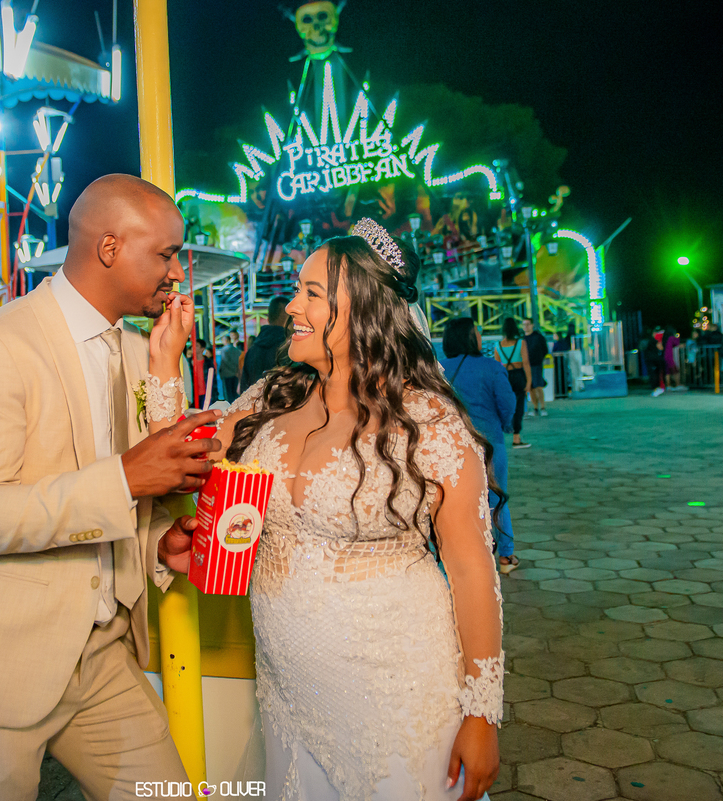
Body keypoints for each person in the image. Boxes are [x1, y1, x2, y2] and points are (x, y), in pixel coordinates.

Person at [0, 174, 222, 800]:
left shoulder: (130, 352)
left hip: (99, 656)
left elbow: (119, 495)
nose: (176, 272)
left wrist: (154, 545)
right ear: (108, 247)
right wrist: (127, 475)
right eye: (165, 254)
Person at [149, 218, 503, 801]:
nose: (291, 307)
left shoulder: (429, 425)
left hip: (396, 697)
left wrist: (482, 715)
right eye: (298, 290)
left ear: (364, 309)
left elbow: (472, 574)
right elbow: (180, 459)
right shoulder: (271, 397)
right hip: (288, 697)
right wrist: (166, 363)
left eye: (312, 293)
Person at [442, 317, 519, 575]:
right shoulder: (491, 367)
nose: (481, 335)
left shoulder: (438, 368)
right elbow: (507, 403)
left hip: (452, 444)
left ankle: (462, 556)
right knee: (497, 498)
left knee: (457, 500)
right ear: (470, 336)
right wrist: (506, 425)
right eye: (478, 331)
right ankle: (506, 556)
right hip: (489, 442)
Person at [239, 295, 290, 391]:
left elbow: (244, 387)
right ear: (286, 316)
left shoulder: (252, 350)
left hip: (255, 404)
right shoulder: (288, 348)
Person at [495, 317, 532, 448]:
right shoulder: (521, 343)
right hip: (519, 375)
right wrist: (529, 381)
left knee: (506, 405)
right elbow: (526, 363)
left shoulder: (497, 345)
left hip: (505, 377)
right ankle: (516, 437)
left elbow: (498, 367)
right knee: (519, 407)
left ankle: (505, 429)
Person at [522, 318, 550, 416]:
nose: (526, 326)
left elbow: (545, 349)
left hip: (536, 364)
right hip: (527, 366)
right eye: (524, 324)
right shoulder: (523, 338)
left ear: (532, 325)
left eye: (528, 324)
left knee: (537, 386)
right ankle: (536, 408)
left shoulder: (537, 337)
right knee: (532, 387)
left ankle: (541, 407)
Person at [218, 334, 242, 401]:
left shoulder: (224, 350)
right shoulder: (236, 350)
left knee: (228, 394)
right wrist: (236, 371)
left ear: (225, 340)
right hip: (236, 374)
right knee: (234, 393)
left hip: (227, 374)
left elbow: (225, 361)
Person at [663, 326, 686, 391]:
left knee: (668, 372)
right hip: (671, 356)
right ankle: (677, 384)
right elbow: (678, 344)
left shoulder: (665, 338)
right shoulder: (672, 338)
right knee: (675, 371)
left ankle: (668, 386)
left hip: (665, 356)